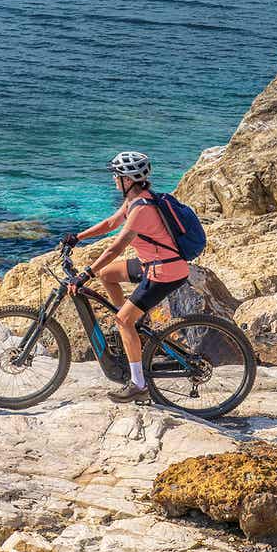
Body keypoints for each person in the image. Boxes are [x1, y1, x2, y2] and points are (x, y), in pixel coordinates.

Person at [62, 151, 189, 403]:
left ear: (128, 179)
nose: (113, 179)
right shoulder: (135, 199)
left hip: (164, 271)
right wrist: (78, 237)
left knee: (123, 320)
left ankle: (138, 384)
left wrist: (85, 274)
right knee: (107, 274)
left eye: (116, 175)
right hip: (151, 264)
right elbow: (111, 223)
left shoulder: (141, 208)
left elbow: (116, 248)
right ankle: (132, 326)